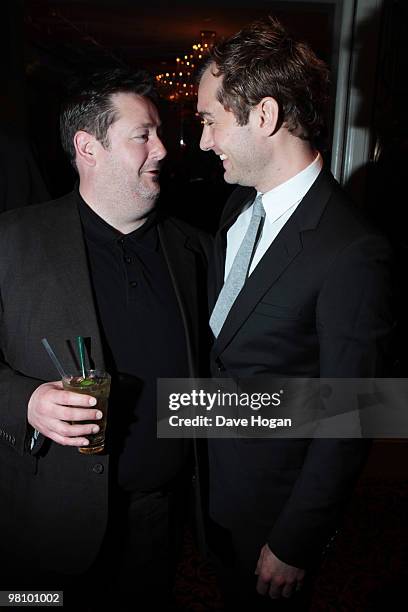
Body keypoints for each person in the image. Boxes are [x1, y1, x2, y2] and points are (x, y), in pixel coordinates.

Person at [197, 16, 393, 611]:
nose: (203, 141)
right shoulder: (236, 206)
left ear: (263, 116)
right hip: (213, 494)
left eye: (210, 121)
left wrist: (295, 541)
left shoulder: (353, 251)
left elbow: (353, 415)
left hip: (274, 520)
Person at [0, 68, 211, 610]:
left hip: (157, 518)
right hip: (46, 519)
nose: (163, 149)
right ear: (88, 147)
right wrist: (24, 400)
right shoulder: (12, 242)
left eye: (159, 132)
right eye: (143, 135)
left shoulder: (198, 250)